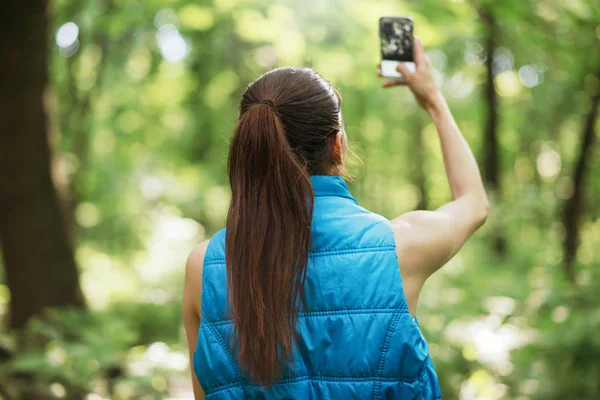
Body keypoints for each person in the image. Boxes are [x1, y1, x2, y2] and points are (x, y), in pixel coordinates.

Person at [183, 37, 488, 399]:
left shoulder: (204, 267)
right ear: (338, 146)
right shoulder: (399, 246)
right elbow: (473, 202)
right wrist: (433, 100)